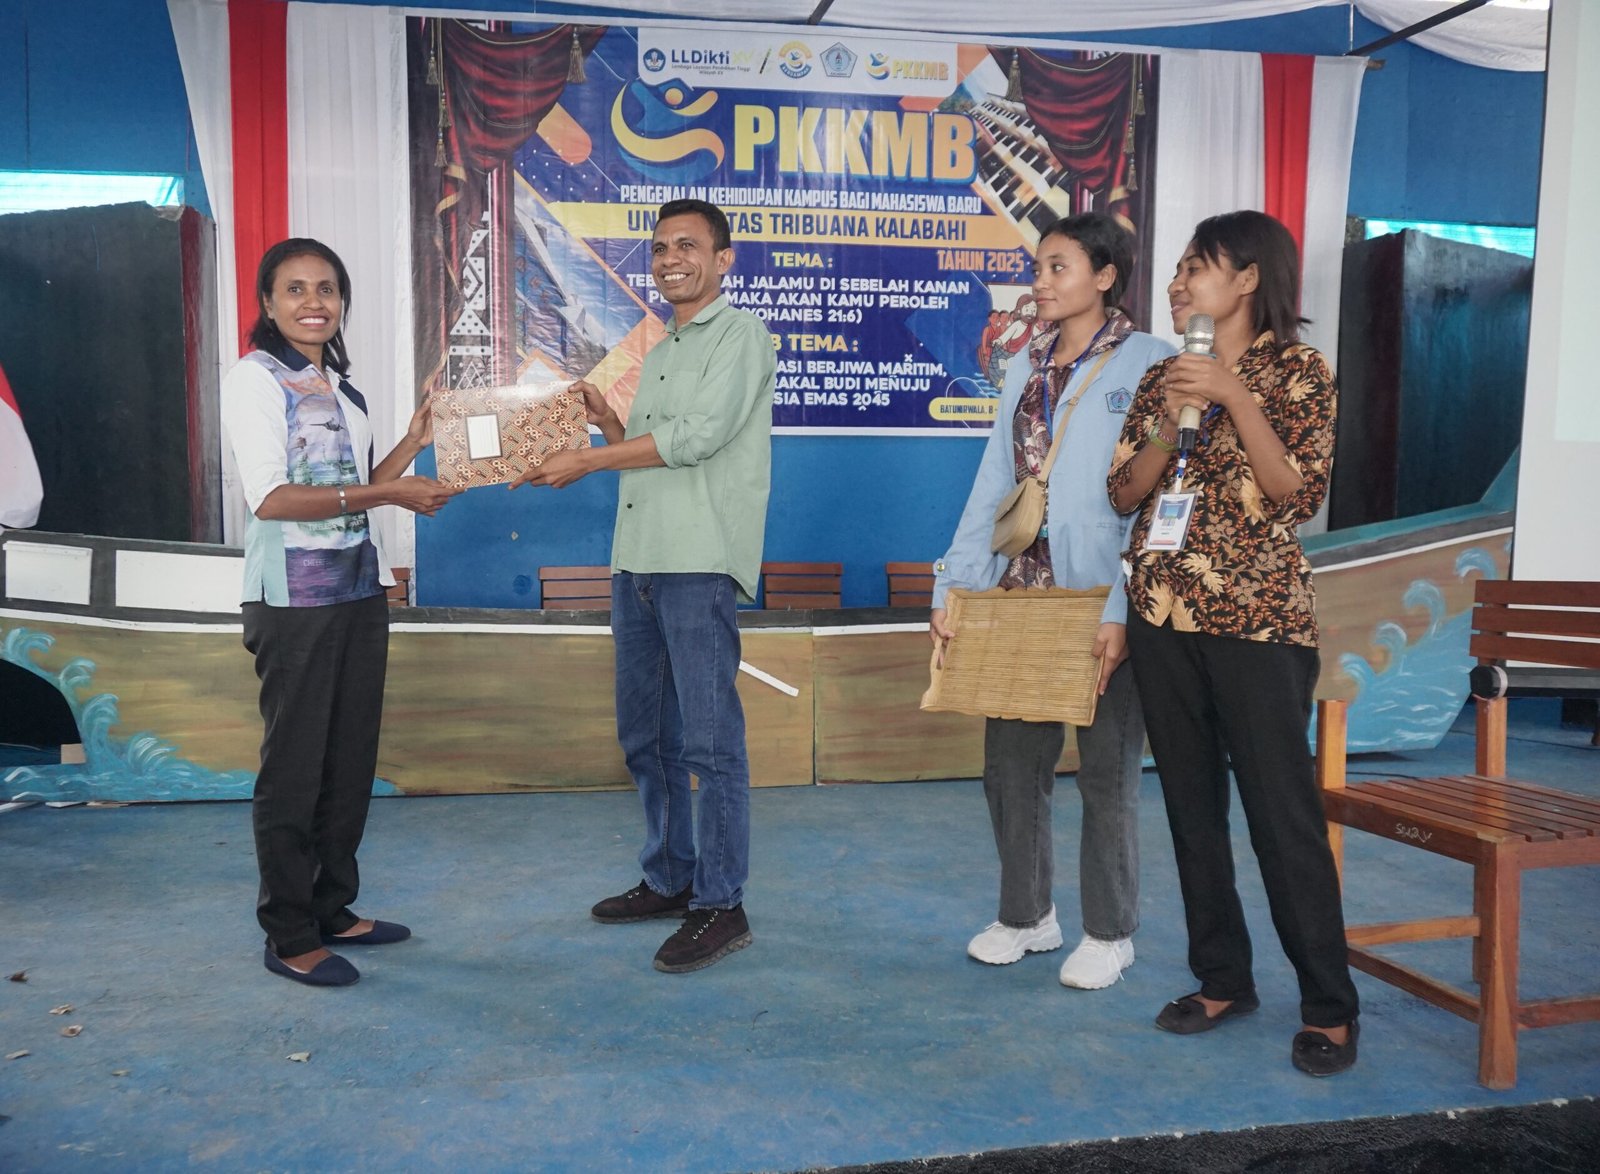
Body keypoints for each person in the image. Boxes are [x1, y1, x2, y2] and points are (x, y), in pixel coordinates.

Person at [1107, 210, 1361, 1076]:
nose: (1177, 281)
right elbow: (1124, 492)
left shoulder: (1299, 371)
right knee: (1190, 807)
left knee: (1280, 814)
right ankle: (1223, 978)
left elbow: (1297, 496)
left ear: (1247, 277)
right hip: (1163, 614)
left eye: (1196, 266)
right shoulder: (1163, 374)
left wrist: (1234, 397)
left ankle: (1329, 1005)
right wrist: (1170, 415)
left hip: (1257, 621)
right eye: (1177, 268)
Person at [513, 198, 775, 974]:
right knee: (645, 737)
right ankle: (669, 878)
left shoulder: (741, 335)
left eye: (687, 246)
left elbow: (697, 439)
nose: (669, 260)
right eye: (660, 248)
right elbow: (651, 452)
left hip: (698, 561)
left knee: (710, 743)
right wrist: (605, 424)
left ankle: (721, 904)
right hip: (638, 561)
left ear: (723, 260)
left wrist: (588, 459)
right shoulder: (661, 347)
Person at [931, 213, 1175, 990]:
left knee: (1106, 775)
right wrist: (954, 587)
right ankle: (1027, 916)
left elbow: (1159, 499)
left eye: (1057, 267)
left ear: (1105, 276)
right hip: (1021, 598)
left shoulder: (1152, 362)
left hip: (1102, 599)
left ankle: (1111, 932)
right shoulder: (1024, 364)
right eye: (1037, 267)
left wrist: (1123, 609)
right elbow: (992, 483)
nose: (1039, 281)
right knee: (1009, 770)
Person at [221, 238, 459, 987]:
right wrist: (390, 493)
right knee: (295, 768)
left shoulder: (343, 389)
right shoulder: (256, 379)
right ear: (268, 304)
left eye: (326, 288)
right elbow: (272, 499)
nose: (313, 302)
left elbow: (355, 486)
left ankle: (332, 908)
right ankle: (289, 934)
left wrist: (413, 444)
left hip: (358, 592)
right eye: (295, 289)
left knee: (348, 761)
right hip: (293, 600)